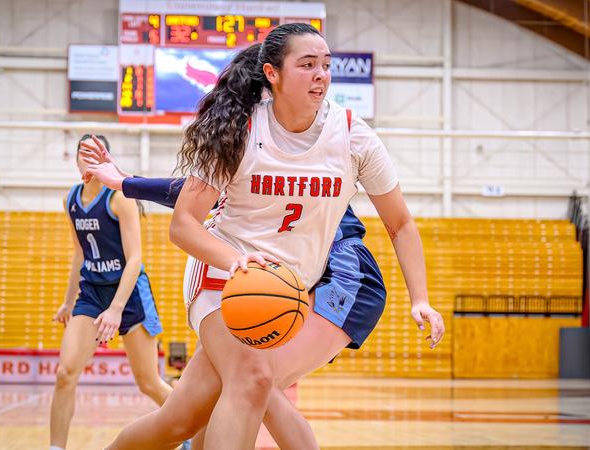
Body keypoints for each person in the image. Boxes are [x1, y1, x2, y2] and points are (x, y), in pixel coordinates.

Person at [86, 23, 444, 450]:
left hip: (288, 286)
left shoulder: (354, 136)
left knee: (179, 422)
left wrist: (420, 298)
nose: (321, 75)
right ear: (272, 74)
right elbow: (184, 224)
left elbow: (400, 224)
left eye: (326, 66)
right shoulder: (239, 132)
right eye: (307, 65)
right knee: (255, 380)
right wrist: (231, 260)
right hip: (222, 275)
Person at [49, 134, 172, 450]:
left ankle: (192, 428)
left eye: (94, 152)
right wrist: (67, 301)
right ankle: (55, 447)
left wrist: (116, 309)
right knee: (65, 374)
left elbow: (135, 260)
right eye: (82, 153)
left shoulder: (119, 198)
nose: (87, 158)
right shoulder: (71, 200)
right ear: (76, 160)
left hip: (128, 293)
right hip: (92, 293)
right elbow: (80, 255)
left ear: (104, 158)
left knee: (148, 383)